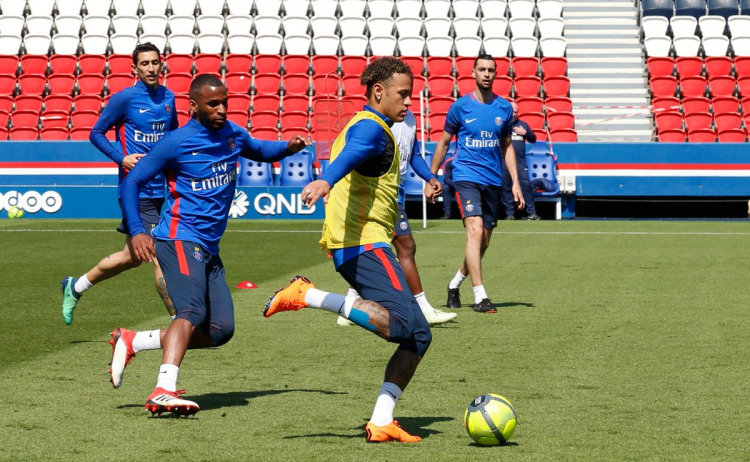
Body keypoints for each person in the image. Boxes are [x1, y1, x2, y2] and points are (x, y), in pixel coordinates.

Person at [108, 74, 309, 416]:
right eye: (213, 104)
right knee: (191, 312)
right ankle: (163, 389)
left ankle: (133, 340)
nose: (221, 109)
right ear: (193, 106)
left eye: (224, 102)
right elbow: (133, 181)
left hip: (207, 246)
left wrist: (288, 148)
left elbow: (260, 150)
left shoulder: (232, 134)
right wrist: (138, 230)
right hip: (179, 237)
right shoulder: (176, 142)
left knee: (220, 330)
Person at [264, 57, 431, 443]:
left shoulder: (368, 123)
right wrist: (325, 180)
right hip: (362, 242)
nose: (409, 102)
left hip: (365, 241)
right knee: (403, 325)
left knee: (419, 334)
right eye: (403, 94)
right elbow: (355, 151)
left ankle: (382, 420)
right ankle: (307, 294)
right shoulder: (371, 128)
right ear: (379, 91)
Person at [59, 43, 178, 325]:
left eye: (155, 62)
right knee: (159, 253)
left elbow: (173, 137)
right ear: (134, 68)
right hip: (136, 190)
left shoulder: (169, 97)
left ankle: (76, 286)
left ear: (161, 65)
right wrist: (121, 158)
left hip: (161, 190)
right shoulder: (125, 99)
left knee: (131, 257)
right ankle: (180, 322)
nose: (151, 68)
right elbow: (96, 133)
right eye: (145, 63)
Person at [336, 109, 456, 327]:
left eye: (409, 94)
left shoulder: (409, 118)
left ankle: (348, 307)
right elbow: (351, 154)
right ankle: (423, 309)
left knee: (372, 247)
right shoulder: (372, 122)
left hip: (395, 190)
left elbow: (414, 155)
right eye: (403, 94)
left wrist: (430, 177)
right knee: (406, 247)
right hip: (379, 191)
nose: (408, 100)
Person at [426, 54, 525, 314]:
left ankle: (454, 283)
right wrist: (431, 177)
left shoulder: (504, 108)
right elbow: (443, 143)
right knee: (475, 230)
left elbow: (507, 146)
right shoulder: (460, 107)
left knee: (484, 241)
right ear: (473, 73)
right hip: (465, 176)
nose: (486, 74)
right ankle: (481, 296)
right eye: (482, 69)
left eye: (491, 70)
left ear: (496, 73)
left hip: (493, 181)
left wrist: (515, 182)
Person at [502, 102, 540, 220]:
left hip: (520, 162)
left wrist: (525, 133)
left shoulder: (522, 125)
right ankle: (510, 214)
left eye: (515, 112)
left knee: (525, 185)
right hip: (504, 161)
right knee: (505, 187)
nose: (513, 114)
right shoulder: (501, 124)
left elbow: (533, 139)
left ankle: (531, 213)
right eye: (511, 112)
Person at [440, 149, 456, 219]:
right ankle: (447, 213)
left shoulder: (470, 162)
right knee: (446, 187)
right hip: (454, 186)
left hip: (467, 185)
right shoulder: (450, 162)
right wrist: (456, 185)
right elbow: (446, 179)